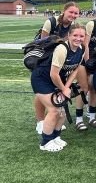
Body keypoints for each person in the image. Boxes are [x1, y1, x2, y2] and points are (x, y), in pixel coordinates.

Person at [31, 24, 86, 152]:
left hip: (58, 81)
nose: (78, 38)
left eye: (81, 36)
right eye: (75, 35)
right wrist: (63, 89)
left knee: (62, 110)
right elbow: (53, 74)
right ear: (69, 36)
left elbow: (75, 70)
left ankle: (55, 137)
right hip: (42, 79)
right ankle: (45, 142)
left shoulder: (81, 49)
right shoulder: (62, 49)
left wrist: (66, 88)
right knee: (54, 110)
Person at [35, 2, 80, 134]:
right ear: (64, 11)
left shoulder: (73, 27)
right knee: (41, 92)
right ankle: (40, 121)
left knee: (54, 89)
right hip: (44, 61)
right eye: (71, 12)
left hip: (60, 61)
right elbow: (42, 44)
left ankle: (51, 118)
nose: (73, 15)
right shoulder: (51, 22)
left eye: (76, 13)